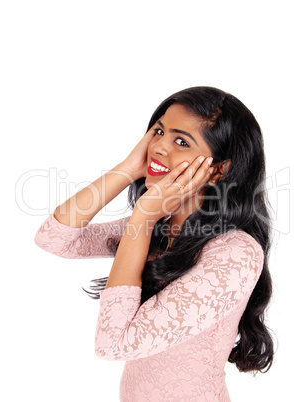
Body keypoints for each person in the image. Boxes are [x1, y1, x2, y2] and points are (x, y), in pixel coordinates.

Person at [35, 86, 274, 401]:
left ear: (218, 169)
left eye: (180, 141)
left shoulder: (235, 253)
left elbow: (112, 343)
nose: (158, 146)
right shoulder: (158, 227)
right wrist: (127, 169)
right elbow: (54, 238)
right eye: (158, 131)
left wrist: (143, 216)